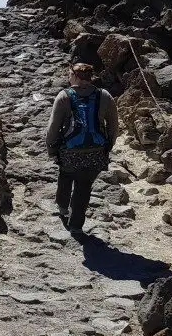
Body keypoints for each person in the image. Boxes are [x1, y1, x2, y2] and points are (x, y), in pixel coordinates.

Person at [45, 63, 119, 234]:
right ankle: (76, 225)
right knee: (84, 187)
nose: (68, 77)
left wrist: (52, 149)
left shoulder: (64, 96)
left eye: (69, 74)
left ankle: (63, 207)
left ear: (76, 76)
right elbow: (114, 126)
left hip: (70, 152)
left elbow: (53, 128)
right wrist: (108, 147)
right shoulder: (104, 95)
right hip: (95, 152)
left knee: (66, 175)